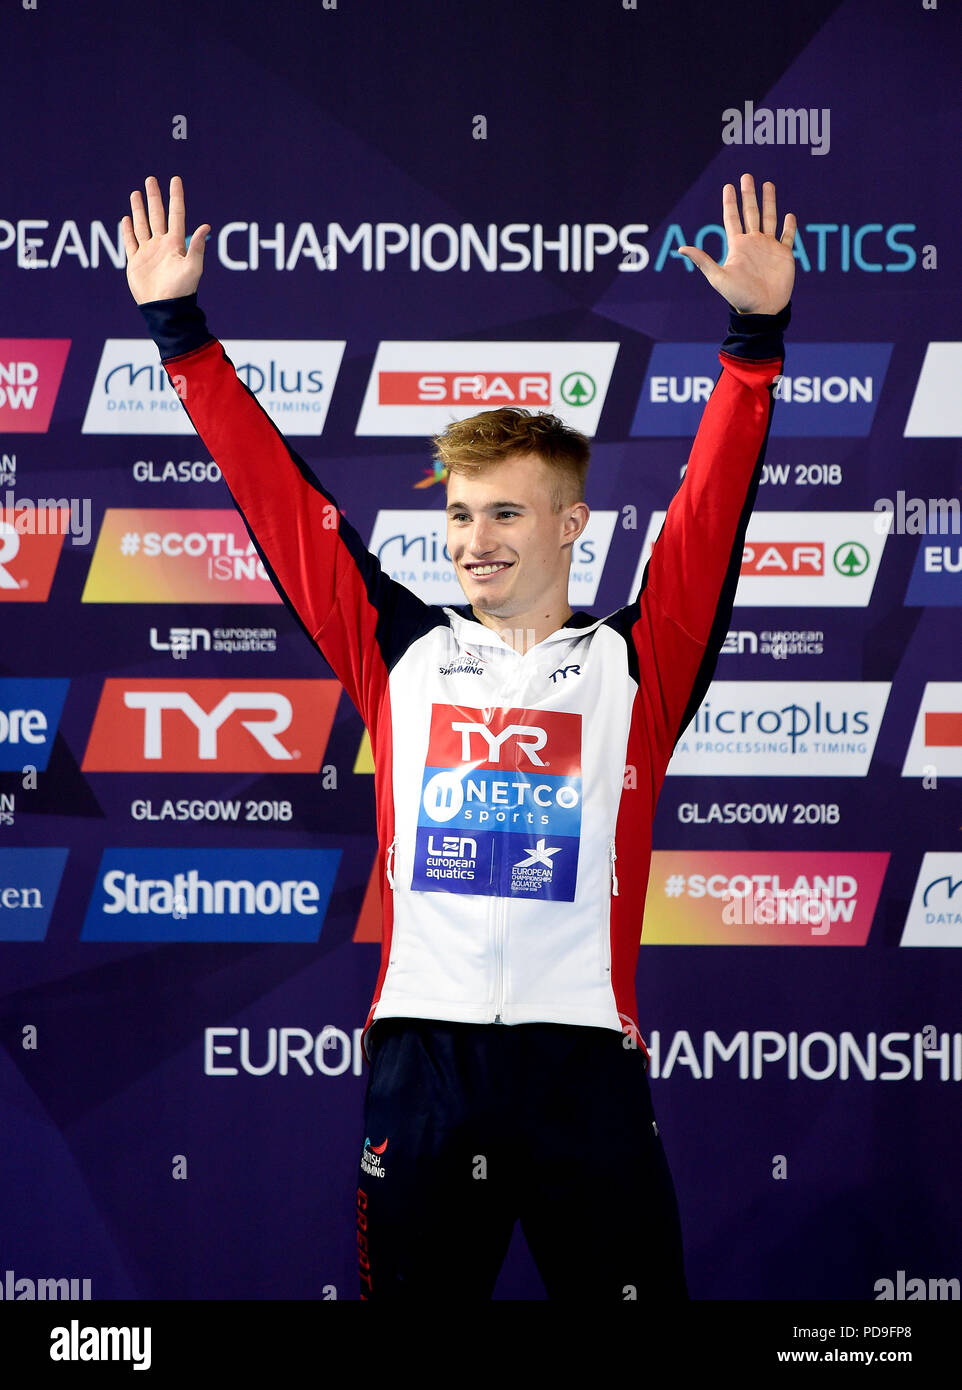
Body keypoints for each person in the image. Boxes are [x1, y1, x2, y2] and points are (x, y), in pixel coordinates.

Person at [122, 173, 796, 1301]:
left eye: (504, 511)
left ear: (572, 523)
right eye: (457, 512)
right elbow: (284, 512)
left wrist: (752, 342)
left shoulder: (638, 664)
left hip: (584, 1067)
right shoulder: (400, 650)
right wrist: (179, 337)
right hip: (422, 1068)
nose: (472, 541)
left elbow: (709, 517)